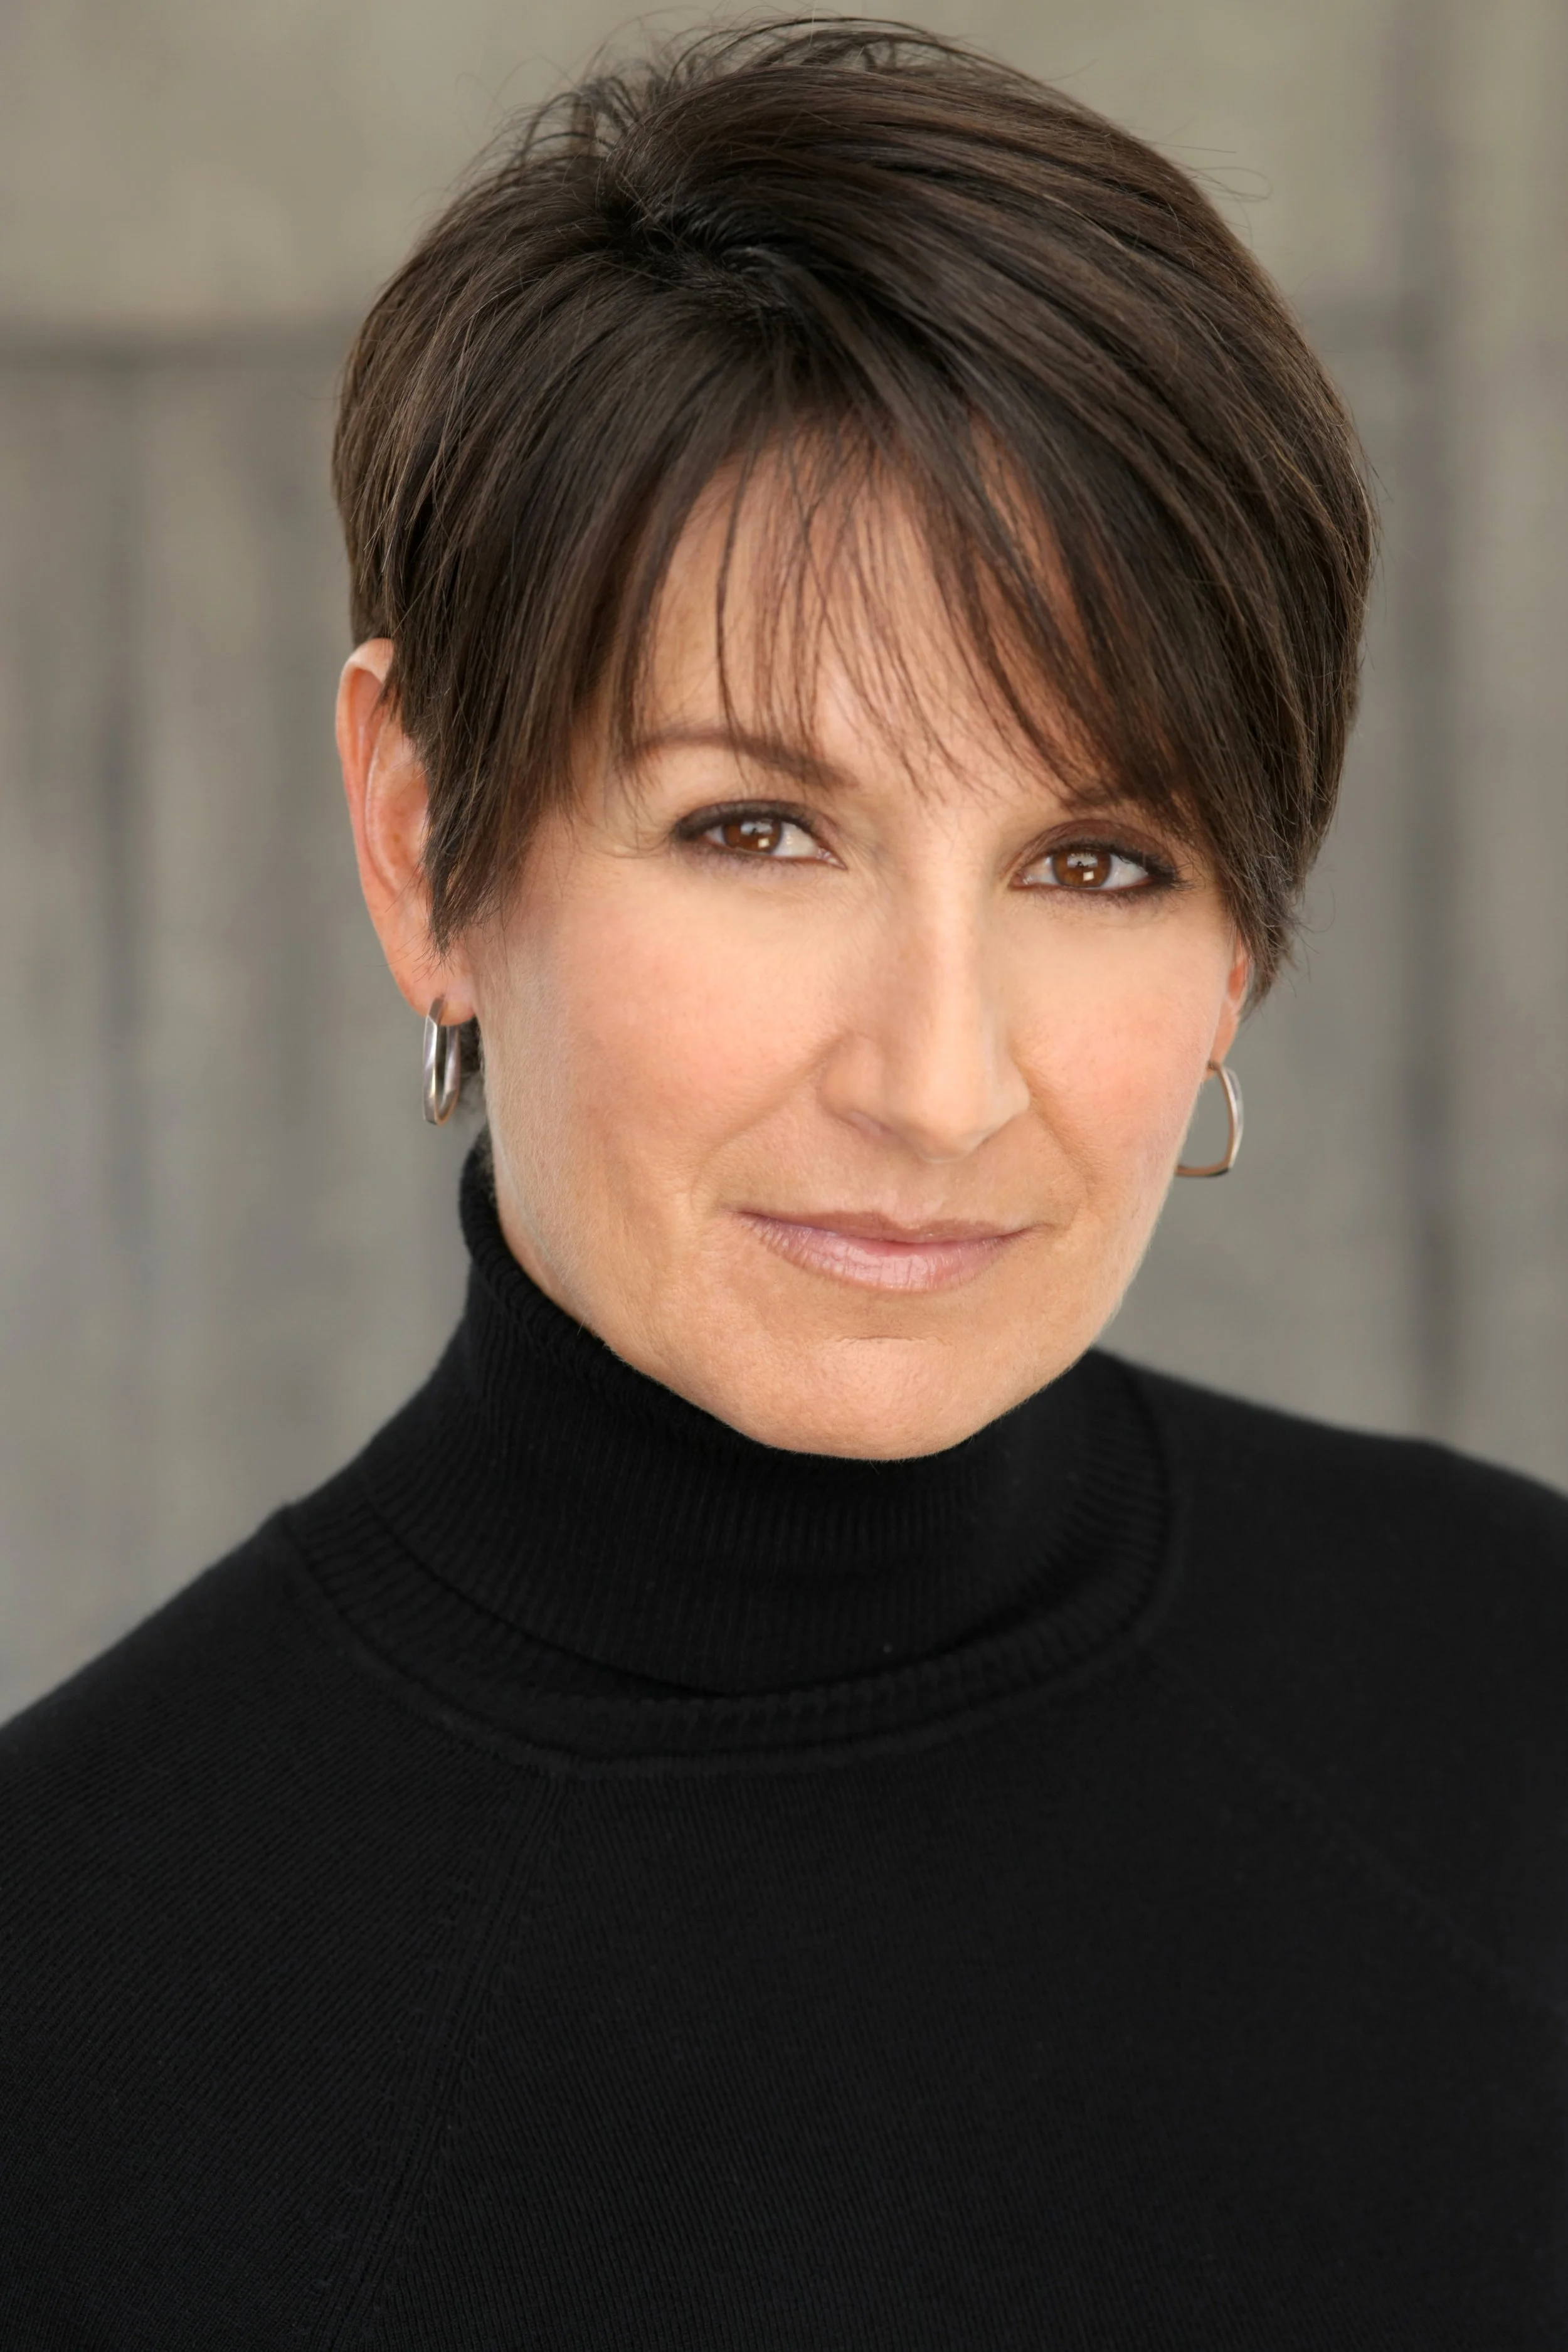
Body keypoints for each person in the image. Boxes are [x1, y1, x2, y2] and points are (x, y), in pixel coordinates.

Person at [3, 20, 1564, 2346]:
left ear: (1245, 933)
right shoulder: (65, 2008)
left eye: (1096, 857)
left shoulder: (1513, 1675)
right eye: (758, 829)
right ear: (426, 839)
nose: (936, 1081)